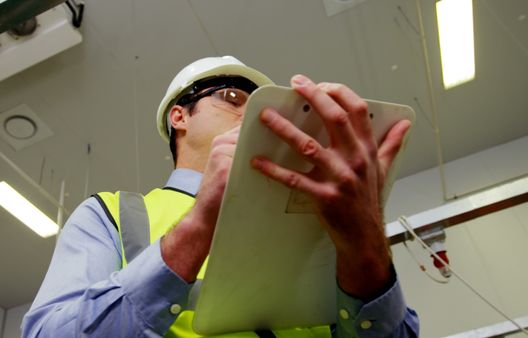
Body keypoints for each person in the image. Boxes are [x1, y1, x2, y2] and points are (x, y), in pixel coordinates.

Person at [21, 56, 420, 337]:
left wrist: (365, 243)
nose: (253, 113)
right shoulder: (112, 214)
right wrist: (198, 226)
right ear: (180, 116)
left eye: (264, 105)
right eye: (232, 97)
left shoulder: (320, 213)